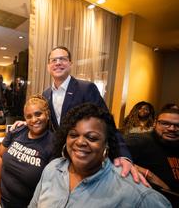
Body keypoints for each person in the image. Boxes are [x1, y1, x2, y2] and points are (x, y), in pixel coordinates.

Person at [13, 46, 143, 183]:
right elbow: (47, 122)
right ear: (48, 66)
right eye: (54, 60)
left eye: (62, 59)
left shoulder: (86, 88)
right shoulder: (46, 94)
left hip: (85, 155)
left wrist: (122, 154)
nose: (58, 63)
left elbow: (106, 122)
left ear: (70, 63)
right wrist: (27, 123)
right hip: (60, 158)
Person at [28, 103, 171, 207]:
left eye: (91, 137)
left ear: (106, 144)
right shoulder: (53, 168)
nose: (80, 142)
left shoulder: (128, 190)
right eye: (73, 135)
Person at [0, 95, 55, 208]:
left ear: (47, 114)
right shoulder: (17, 131)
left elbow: (50, 189)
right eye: (29, 116)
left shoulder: (53, 144)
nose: (34, 120)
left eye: (38, 114)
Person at [125, 108, 179, 206]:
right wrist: (148, 174)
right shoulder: (140, 141)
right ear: (155, 123)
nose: (172, 128)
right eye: (165, 123)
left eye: (177, 125)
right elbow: (108, 154)